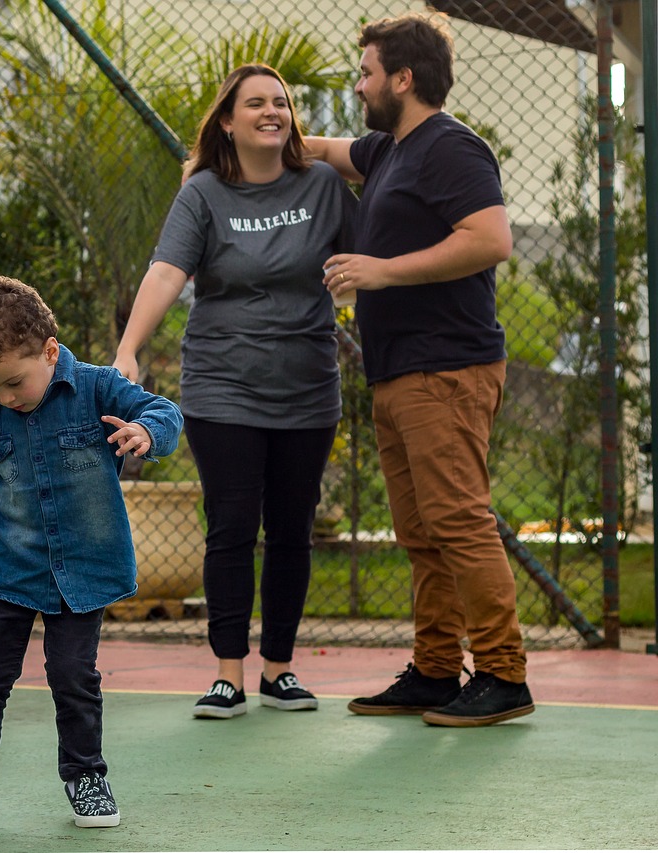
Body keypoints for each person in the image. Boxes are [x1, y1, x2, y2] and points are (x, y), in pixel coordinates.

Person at [305, 12, 534, 727]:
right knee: (420, 529)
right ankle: (437, 669)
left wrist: (381, 271)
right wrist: (240, 132)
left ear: (403, 79)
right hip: (399, 371)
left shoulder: (451, 148)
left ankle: (503, 672)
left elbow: (490, 239)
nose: (358, 83)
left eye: (367, 72)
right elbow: (320, 148)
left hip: (448, 367)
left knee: (457, 520)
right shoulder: (388, 150)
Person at [113, 64, 356, 720]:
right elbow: (167, 271)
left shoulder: (325, 185)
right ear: (228, 119)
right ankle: (228, 674)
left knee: (291, 531)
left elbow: (369, 251)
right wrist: (130, 348)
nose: (272, 111)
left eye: (280, 102)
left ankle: (279, 669)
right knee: (230, 526)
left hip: (308, 387)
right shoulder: (204, 194)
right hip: (222, 388)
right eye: (256, 103)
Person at [0, 276, 182, 830]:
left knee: (72, 674)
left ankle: (85, 775)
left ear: (49, 351)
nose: (4, 398)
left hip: (83, 568)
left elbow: (165, 411)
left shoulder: (97, 388)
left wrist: (144, 431)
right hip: (7, 566)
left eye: (13, 382)